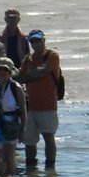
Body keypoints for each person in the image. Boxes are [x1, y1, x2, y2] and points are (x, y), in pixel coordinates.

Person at [17, 29, 60, 169]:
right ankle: (31, 169)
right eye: (33, 41)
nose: (35, 44)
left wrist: (30, 75)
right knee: (29, 141)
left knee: (48, 137)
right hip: (31, 106)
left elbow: (43, 71)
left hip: (48, 105)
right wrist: (32, 74)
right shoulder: (28, 58)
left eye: (38, 41)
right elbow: (20, 77)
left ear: (44, 40)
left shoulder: (52, 55)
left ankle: (50, 169)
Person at [0, 57, 27, 176]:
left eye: (5, 70)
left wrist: (22, 130)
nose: (2, 72)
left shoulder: (16, 88)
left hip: (11, 125)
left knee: (9, 158)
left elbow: (23, 111)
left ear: (10, 72)